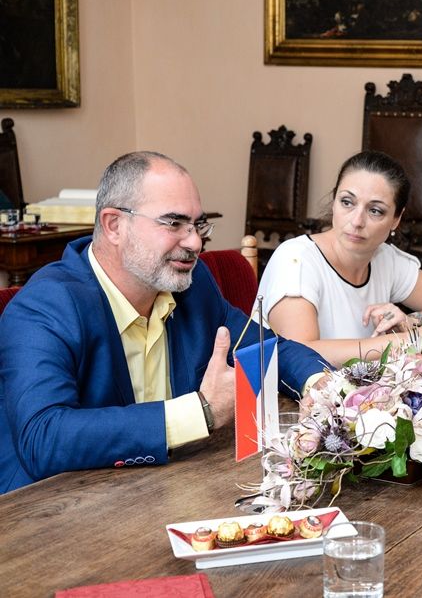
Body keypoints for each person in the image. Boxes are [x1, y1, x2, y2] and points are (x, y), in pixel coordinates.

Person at [0, 152, 330, 494]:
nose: (195, 243)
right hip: (49, 509)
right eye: (174, 224)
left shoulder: (192, 284)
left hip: (168, 489)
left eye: (198, 225)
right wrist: (200, 413)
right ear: (114, 225)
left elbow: (264, 346)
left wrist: (320, 385)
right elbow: (43, 438)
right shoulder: (45, 307)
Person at [256, 150, 422, 367]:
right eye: (347, 202)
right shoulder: (296, 259)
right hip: (289, 399)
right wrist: (412, 339)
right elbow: (300, 353)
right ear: (334, 202)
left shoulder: (384, 258)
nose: (357, 221)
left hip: (360, 395)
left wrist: (411, 321)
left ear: (396, 220)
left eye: (376, 211)